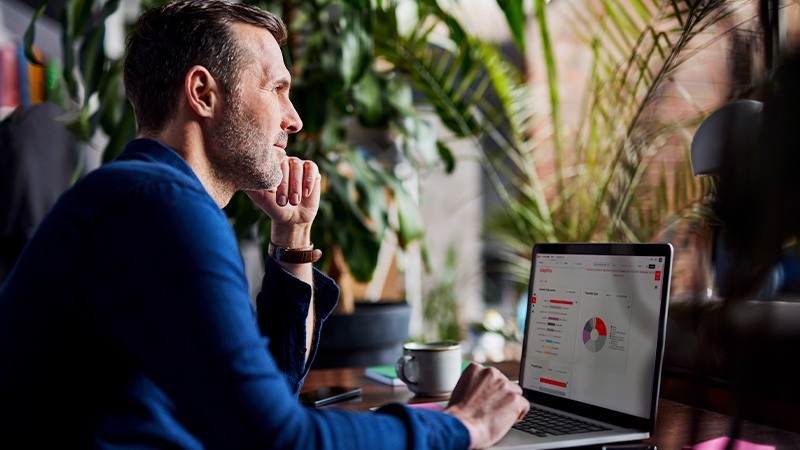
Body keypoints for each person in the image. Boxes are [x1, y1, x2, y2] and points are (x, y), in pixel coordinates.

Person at [0, 1, 529, 448]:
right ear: (204, 94)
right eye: (276, 88)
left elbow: (266, 397)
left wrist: (293, 239)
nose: (294, 118)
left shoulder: (150, 198)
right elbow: (275, 438)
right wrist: (460, 426)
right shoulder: (157, 204)